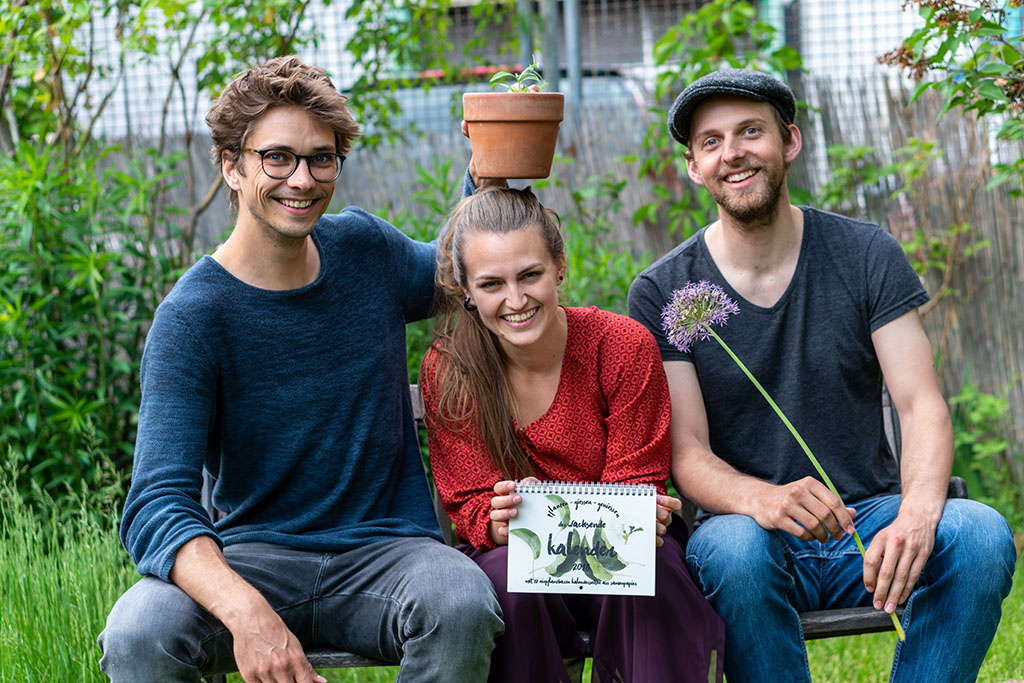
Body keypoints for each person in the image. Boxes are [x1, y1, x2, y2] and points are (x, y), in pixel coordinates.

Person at [98, 56, 503, 683]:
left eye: (322, 158)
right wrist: (245, 611)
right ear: (232, 165)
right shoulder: (192, 318)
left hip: (386, 552)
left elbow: (461, 268)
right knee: (138, 634)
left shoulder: (366, 252)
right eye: (278, 157)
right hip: (252, 558)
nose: (303, 179)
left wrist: (488, 173)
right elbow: (158, 503)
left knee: (461, 603)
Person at [628, 68, 1017, 682]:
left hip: (869, 530)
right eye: (711, 141)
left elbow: (921, 405)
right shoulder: (665, 291)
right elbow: (688, 453)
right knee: (730, 549)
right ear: (694, 167)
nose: (732, 153)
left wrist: (916, 512)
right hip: (751, 542)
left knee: (981, 534)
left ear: (790, 142)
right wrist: (765, 499)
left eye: (751, 131)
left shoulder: (865, 255)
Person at [420, 186, 725, 683]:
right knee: (503, 582)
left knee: (655, 572)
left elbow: (636, 484)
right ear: (467, 291)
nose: (515, 300)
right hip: (517, 559)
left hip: (621, 550)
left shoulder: (621, 345)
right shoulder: (452, 370)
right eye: (492, 283)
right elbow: (471, 500)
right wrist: (498, 519)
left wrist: (597, 512)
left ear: (560, 265)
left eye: (531, 275)